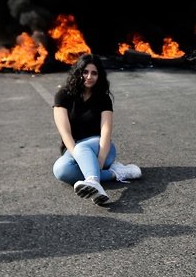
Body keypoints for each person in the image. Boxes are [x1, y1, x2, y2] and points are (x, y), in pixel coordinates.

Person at [52, 53, 141, 205]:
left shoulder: (103, 99)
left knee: (83, 147)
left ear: (99, 76)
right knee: (61, 170)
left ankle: (93, 180)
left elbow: (106, 131)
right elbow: (65, 132)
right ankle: (115, 173)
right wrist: (79, 157)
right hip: (73, 149)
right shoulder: (63, 95)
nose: (89, 76)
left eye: (94, 73)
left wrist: (100, 160)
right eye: (85, 72)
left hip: (102, 149)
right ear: (78, 73)